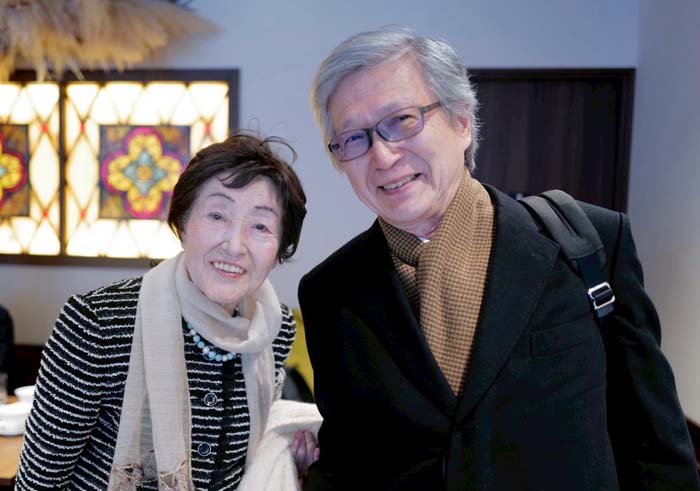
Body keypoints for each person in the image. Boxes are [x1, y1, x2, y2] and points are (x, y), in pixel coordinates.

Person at [298, 26, 700, 490]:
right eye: (354, 138)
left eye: (402, 119)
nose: (383, 155)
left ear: (461, 121)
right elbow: (348, 460)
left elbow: (655, 446)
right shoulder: (331, 292)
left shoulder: (588, 243)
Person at [16, 132, 318, 490]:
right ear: (183, 222)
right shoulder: (98, 322)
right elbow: (38, 484)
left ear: (280, 248)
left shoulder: (272, 328)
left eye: (261, 226)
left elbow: (245, 464)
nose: (235, 245)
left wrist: (293, 458)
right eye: (217, 215)